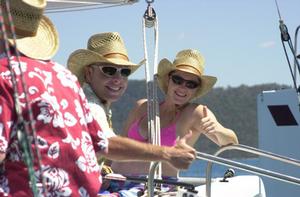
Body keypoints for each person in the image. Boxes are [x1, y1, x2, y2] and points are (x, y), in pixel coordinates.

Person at [0, 1, 195, 196]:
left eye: (124, 72)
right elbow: (105, 143)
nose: (117, 79)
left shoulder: (4, 76)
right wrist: (167, 153)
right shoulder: (64, 78)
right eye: (109, 70)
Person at [112, 49, 239, 177]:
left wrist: (217, 130)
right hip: (114, 180)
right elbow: (118, 145)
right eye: (178, 80)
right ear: (168, 80)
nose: (182, 87)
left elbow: (231, 144)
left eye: (191, 84)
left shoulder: (194, 113)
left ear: (196, 89)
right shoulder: (143, 106)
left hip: (154, 187)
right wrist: (104, 170)